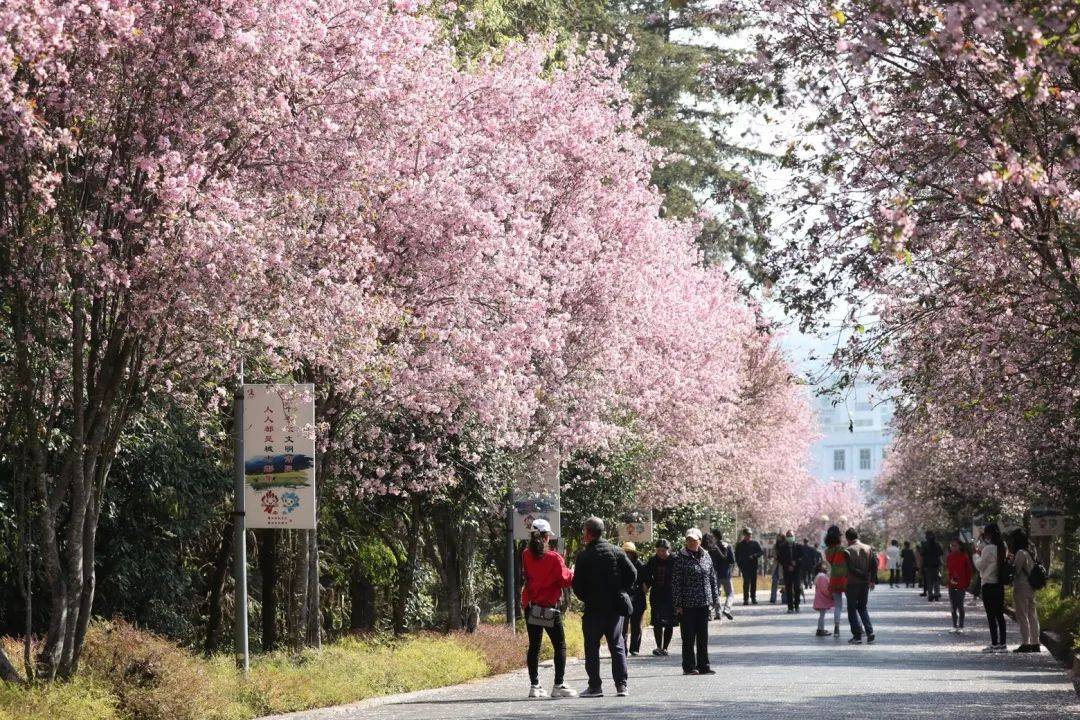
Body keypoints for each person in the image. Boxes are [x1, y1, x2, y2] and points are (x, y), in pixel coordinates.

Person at [571, 516, 637, 697]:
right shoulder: (617, 551)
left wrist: (586, 597)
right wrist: (622, 590)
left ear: (588, 533)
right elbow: (632, 573)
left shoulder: (584, 556)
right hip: (615, 608)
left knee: (592, 647)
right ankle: (621, 686)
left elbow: (577, 585)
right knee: (617, 646)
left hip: (594, 609)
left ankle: (595, 686)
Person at [521, 519, 577, 699]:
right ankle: (558, 685)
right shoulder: (554, 557)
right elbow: (565, 580)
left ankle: (534, 686)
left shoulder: (525, 555)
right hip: (549, 608)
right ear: (546, 537)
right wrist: (573, 571)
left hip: (531, 606)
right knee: (559, 645)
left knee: (534, 646)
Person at [671, 528, 719, 675]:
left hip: (704, 603)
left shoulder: (706, 556)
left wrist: (715, 599)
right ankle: (689, 666)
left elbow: (712, 578)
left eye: (694, 540)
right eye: (689, 540)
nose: (691, 542)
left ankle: (704, 665)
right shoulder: (680, 557)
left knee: (703, 636)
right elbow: (676, 582)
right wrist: (678, 604)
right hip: (687, 604)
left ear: (699, 541)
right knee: (688, 636)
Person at [974, 522, 1008, 653]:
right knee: (1000, 615)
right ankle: (1003, 644)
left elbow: (980, 567)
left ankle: (994, 643)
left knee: (991, 616)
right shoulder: (1003, 546)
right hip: (999, 585)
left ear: (988, 535)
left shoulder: (988, 549)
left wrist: (976, 555)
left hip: (988, 585)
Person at [1009, 529, 1042, 653]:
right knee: (1033, 615)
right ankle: (1036, 643)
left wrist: (1011, 561)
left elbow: (1016, 571)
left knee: (1022, 615)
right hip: (1032, 587)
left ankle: (1026, 643)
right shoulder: (1032, 551)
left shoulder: (1021, 553)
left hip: (1022, 586)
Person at [643, 538, 676, 656]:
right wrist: (647, 586)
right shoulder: (653, 560)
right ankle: (658, 646)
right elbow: (646, 575)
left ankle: (665, 647)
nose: (661, 553)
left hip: (671, 594)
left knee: (669, 622)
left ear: (668, 550)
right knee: (657, 621)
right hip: (657, 594)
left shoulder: (675, 560)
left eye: (663, 551)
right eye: (658, 550)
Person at [843, 527, 876, 644]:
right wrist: (871, 579)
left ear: (847, 538)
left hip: (852, 583)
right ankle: (870, 632)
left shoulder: (847, 550)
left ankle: (857, 636)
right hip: (864, 584)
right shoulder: (868, 548)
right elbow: (874, 564)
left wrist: (863, 575)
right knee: (863, 607)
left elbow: (851, 569)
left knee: (852, 609)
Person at [621, 542, 647, 656]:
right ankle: (623, 648)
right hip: (624, 598)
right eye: (625, 552)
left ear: (633, 553)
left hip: (638, 598)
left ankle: (634, 648)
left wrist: (646, 586)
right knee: (623, 626)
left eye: (629, 552)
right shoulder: (619, 564)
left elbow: (647, 579)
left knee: (636, 626)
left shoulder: (640, 565)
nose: (627, 555)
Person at [704, 532, 735, 620]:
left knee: (715, 594)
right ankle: (727, 609)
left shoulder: (712, 548)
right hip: (726, 574)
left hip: (715, 574)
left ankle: (716, 613)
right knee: (730, 593)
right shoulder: (727, 546)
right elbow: (732, 560)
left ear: (715, 537)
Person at [945, 538, 973, 634]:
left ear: (960, 546)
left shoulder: (964, 557)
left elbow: (969, 571)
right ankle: (954, 625)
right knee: (953, 605)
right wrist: (949, 581)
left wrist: (967, 583)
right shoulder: (949, 557)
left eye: (955, 545)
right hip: (952, 584)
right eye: (951, 546)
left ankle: (961, 625)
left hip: (962, 584)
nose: (953, 547)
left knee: (960, 604)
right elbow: (948, 571)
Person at [823, 525, 847, 638]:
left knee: (838, 606)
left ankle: (836, 628)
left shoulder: (827, 551)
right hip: (845, 579)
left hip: (833, 580)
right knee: (854, 604)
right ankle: (860, 627)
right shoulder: (842, 550)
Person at [734, 528, 764, 605]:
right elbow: (736, 556)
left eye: (750, 534)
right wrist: (740, 565)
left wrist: (754, 555)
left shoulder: (755, 543)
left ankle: (753, 598)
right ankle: (745, 599)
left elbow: (761, 552)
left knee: (753, 582)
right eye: (747, 535)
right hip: (744, 567)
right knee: (746, 582)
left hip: (753, 566)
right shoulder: (740, 545)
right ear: (744, 535)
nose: (749, 536)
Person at [776, 531, 801, 613]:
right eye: (788, 536)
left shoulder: (798, 546)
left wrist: (796, 563)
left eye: (791, 535)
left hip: (797, 570)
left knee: (797, 588)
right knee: (788, 589)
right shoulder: (782, 547)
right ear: (786, 537)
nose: (790, 537)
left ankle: (797, 605)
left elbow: (803, 558)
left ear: (794, 536)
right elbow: (780, 559)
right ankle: (790, 607)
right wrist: (788, 565)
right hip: (787, 570)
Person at [812, 560, 834, 636]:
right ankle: (820, 629)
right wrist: (831, 595)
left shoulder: (820, 576)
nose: (826, 567)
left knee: (822, 615)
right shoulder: (822, 577)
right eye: (824, 566)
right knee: (822, 615)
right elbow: (824, 589)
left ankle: (820, 628)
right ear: (820, 568)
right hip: (822, 599)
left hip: (820, 598)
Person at [921, 532, 944, 601]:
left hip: (927, 565)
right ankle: (936, 594)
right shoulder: (937, 545)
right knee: (936, 580)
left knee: (929, 581)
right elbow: (941, 553)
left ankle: (930, 594)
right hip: (936, 565)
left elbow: (922, 555)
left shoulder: (925, 545)